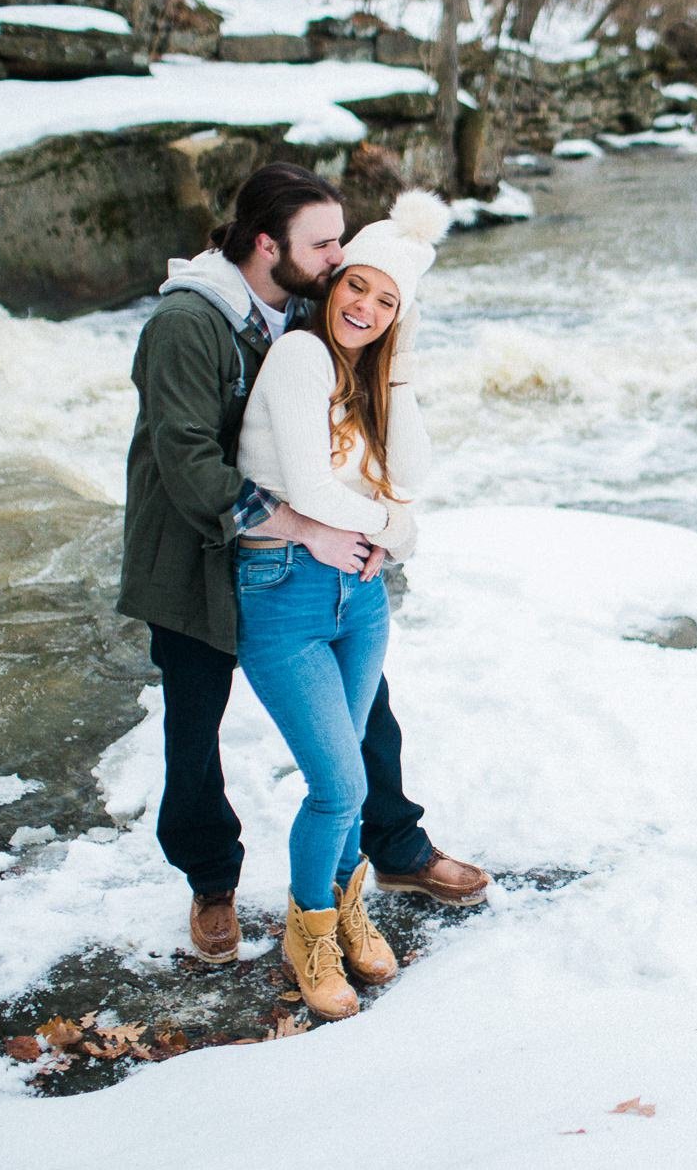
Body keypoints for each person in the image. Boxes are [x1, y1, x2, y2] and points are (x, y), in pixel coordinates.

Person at [118, 164, 490, 973]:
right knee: (193, 720)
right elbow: (186, 462)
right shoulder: (190, 322)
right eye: (323, 244)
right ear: (267, 244)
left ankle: (392, 846)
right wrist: (303, 523)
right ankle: (213, 880)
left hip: (295, 555)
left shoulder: (308, 311)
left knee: (365, 713)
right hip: (192, 551)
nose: (336, 257)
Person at [233, 187, 455, 1019]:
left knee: (354, 786)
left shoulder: (363, 373)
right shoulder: (297, 359)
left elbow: (415, 472)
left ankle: (344, 902)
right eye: (356, 285)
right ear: (334, 284)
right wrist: (400, 531)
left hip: (357, 600)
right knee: (336, 783)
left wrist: (395, 366)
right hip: (283, 594)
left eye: (386, 300)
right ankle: (310, 932)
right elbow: (316, 490)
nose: (364, 306)